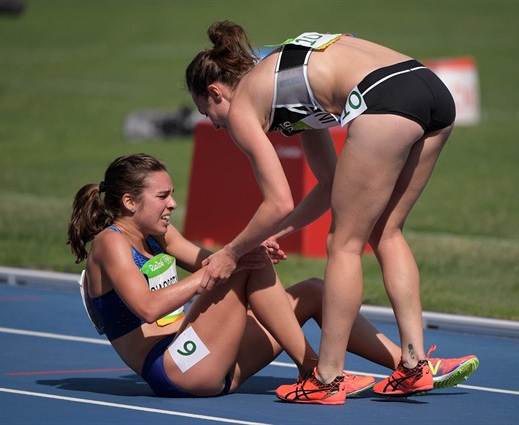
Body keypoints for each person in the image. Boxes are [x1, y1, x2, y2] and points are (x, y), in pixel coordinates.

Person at [186, 22, 465, 404]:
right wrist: (278, 234)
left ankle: (328, 377)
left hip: (384, 96)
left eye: (208, 112)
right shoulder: (285, 87)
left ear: (216, 92)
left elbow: (277, 201)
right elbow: (331, 183)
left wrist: (230, 253)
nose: (216, 125)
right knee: (385, 232)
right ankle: (414, 366)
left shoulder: (243, 109)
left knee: (343, 244)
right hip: (429, 87)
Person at [67, 153, 477, 401]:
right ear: (128, 201)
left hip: (208, 357)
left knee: (315, 291)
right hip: (173, 369)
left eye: (172, 193)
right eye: (163, 196)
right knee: (242, 262)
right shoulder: (111, 244)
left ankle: (412, 366)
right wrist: (232, 261)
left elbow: (214, 261)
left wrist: (244, 253)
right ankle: (317, 374)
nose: (174, 203)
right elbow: (148, 306)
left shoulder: (160, 233)